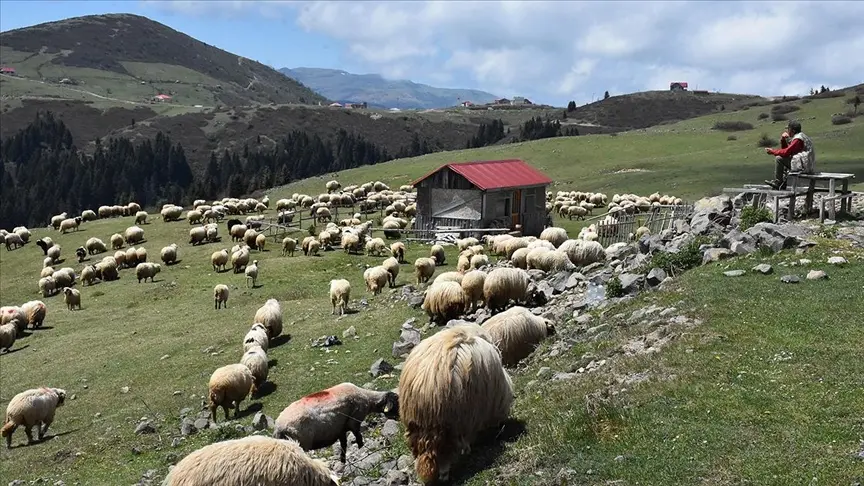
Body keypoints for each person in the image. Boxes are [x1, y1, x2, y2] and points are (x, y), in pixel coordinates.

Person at [763, 119, 816, 190]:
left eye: (788, 129)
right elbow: (787, 152)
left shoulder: (798, 139)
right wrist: (783, 140)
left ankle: (779, 183)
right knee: (784, 159)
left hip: (804, 166)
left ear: (793, 131)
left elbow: (786, 152)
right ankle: (782, 183)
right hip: (806, 164)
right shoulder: (801, 137)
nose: (787, 131)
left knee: (779, 159)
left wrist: (773, 151)